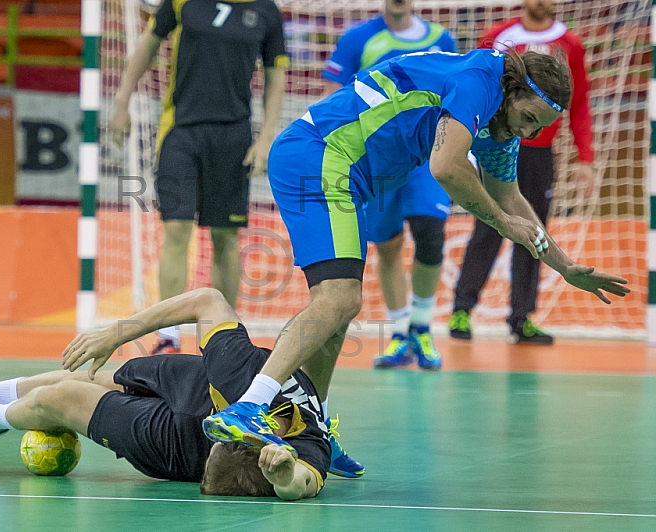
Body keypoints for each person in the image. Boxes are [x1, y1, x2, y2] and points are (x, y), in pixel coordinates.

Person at [202, 47, 630, 453]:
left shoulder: (499, 128)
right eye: (528, 118)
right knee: (339, 298)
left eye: (540, 128)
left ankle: (315, 424)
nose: (529, 132)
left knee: (339, 307)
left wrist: (566, 265)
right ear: (514, 91)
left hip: (349, 176)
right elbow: (446, 167)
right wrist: (502, 223)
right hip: (321, 154)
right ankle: (250, 405)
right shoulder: (480, 80)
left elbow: (513, 199)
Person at [0, 288, 330, 500]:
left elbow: (303, 485)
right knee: (93, 377)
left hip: (176, 447)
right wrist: (117, 333)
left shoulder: (303, 451)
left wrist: (282, 477)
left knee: (64, 398)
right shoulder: (242, 372)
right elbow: (207, 298)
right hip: (199, 382)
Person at [110, 0, 287, 355]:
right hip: (180, 131)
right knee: (176, 229)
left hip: (233, 137)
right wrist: (121, 102)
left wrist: (267, 137)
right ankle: (169, 337)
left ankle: (225, 338)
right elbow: (148, 45)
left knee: (225, 236)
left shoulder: (266, 11)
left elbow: (276, 74)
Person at [449, 0, 595, 345]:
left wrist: (585, 158)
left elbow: (579, 104)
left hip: (540, 154)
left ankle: (522, 317)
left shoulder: (570, 43)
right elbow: (475, 87)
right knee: (488, 225)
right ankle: (461, 309)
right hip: (495, 143)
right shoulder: (498, 36)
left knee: (535, 228)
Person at [322, 0, 456, 370]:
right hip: (376, 160)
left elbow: (455, 95)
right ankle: (400, 333)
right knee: (388, 245)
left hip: (425, 156)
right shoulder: (357, 40)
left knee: (430, 233)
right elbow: (333, 99)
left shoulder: (440, 38)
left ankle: (422, 326)